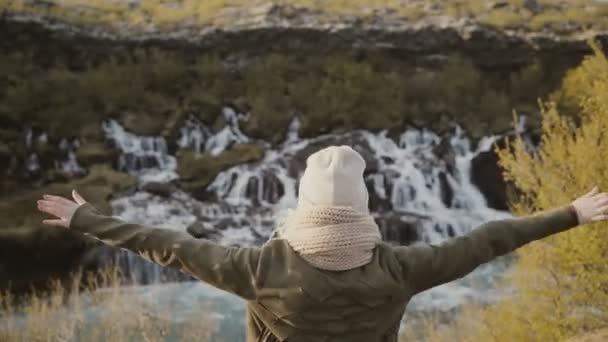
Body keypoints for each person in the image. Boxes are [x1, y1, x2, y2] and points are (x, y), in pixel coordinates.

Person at [37, 145, 608, 342]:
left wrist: (87, 219)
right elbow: (491, 238)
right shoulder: (407, 268)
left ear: (305, 206)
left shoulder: (257, 267)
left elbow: (166, 243)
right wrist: (573, 214)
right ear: (361, 208)